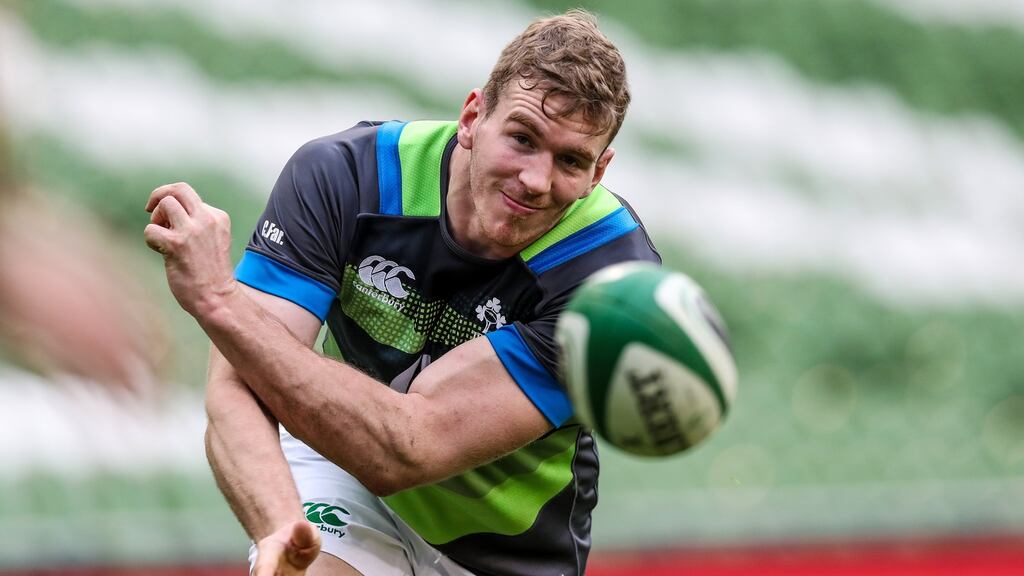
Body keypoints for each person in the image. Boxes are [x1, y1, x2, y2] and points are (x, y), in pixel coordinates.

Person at [144, 10, 660, 576]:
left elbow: (410, 448)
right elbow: (237, 385)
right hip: (342, 470)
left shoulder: (607, 281)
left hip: (508, 550)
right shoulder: (346, 176)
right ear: (472, 117)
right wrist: (282, 530)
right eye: (522, 138)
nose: (536, 180)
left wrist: (218, 300)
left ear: (599, 172)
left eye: (570, 161)